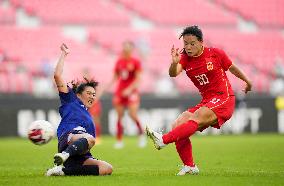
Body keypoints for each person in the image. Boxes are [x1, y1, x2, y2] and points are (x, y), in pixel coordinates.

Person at [146, 25, 252, 175]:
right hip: (207, 101)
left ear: (201, 42)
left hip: (224, 98)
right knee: (178, 124)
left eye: (192, 43)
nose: (188, 47)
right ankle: (190, 166)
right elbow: (173, 74)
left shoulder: (215, 53)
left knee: (196, 118)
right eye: (185, 44)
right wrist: (174, 62)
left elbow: (232, 67)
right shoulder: (185, 58)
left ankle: (163, 140)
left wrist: (247, 81)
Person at [45, 43, 113, 176]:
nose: (92, 96)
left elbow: (88, 143)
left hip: (79, 152)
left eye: (94, 94)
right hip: (68, 139)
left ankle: (62, 171)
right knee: (91, 138)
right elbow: (57, 76)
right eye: (89, 93)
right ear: (78, 94)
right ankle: (64, 155)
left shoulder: (88, 117)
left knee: (107, 169)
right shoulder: (70, 99)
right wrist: (64, 54)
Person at [104, 41, 146, 149]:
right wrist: (107, 86)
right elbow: (115, 77)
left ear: (132, 49)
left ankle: (141, 136)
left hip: (131, 92)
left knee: (133, 114)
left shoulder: (135, 61)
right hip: (120, 91)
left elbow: (138, 79)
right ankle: (119, 140)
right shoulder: (119, 61)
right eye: (124, 47)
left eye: (127, 47)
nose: (125, 49)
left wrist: (130, 89)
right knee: (119, 116)